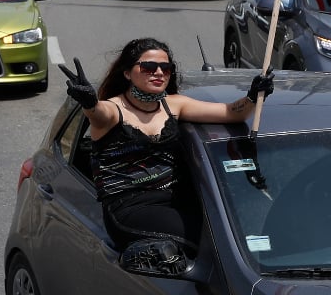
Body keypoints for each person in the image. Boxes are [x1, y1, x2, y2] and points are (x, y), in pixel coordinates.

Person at [61, 38, 274, 259]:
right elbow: (99, 114)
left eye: (166, 68)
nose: (159, 73)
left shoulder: (174, 104)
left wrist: (253, 96)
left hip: (175, 198)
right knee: (207, 243)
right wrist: (90, 104)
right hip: (130, 207)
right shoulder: (114, 110)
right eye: (149, 67)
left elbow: (232, 112)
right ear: (127, 73)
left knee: (238, 230)